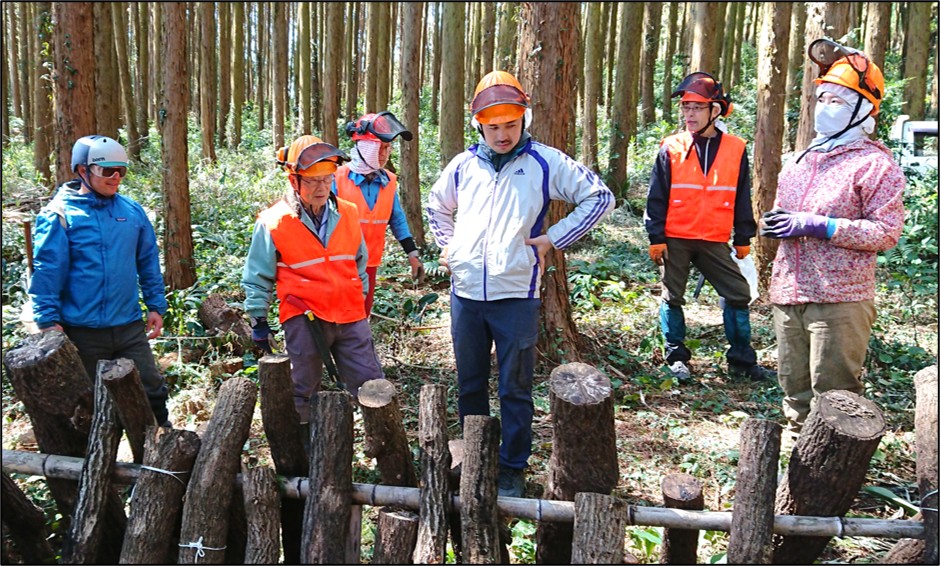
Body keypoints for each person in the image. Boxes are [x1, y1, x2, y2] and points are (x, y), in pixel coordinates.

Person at [426, 70, 615, 497]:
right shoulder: (463, 165)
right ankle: (476, 456)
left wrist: (553, 238)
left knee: (515, 387)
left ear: (524, 119)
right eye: (493, 126)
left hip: (517, 295)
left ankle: (512, 466)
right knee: (470, 382)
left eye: (510, 124)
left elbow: (600, 197)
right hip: (466, 293)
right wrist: (449, 246)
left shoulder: (545, 162)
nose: (502, 134)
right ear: (479, 125)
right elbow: (437, 205)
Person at [761, 39, 905, 432]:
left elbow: (886, 232)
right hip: (789, 292)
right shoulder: (800, 160)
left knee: (837, 398)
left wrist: (822, 226)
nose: (824, 108)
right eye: (821, 99)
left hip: (839, 298)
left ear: (864, 110)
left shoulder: (874, 165)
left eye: (837, 101)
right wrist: (777, 223)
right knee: (795, 394)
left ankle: (835, 467)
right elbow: (784, 210)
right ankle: (797, 459)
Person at [28, 135, 172, 427]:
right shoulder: (59, 214)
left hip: (129, 325)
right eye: (108, 170)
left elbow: (148, 261)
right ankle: (98, 454)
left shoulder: (132, 211)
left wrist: (156, 305)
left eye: (121, 171)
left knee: (152, 389)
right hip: (82, 331)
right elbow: (47, 271)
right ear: (83, 170)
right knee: (90, 404)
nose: (116, 177)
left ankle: (162, 442)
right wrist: (46, 320)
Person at [242, 135, 385, 424]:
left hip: (349, 312)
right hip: (303, 315)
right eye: (312, 181)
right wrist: (258, 320)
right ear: (293, 180)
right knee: (303, 388)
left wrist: (360, 300)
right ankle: (303, 442)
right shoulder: (274, 221)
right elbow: (258, 276)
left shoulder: (348, 212)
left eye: (326, 179)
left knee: (372, 385)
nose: (321, 188)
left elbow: (359, 264)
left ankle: (382, 440)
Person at [644, 71, 771, 383]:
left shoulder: (736, 148)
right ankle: (676, 358)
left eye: (697, 107)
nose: (689, 114)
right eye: (686, 107)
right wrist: (656, 236)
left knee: (738, 294)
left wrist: (743, 236)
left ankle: (741, 361)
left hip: (714, 237)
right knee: (672, 297)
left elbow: (742, 195)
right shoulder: (671, 147)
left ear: (716, 110)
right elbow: (656, 196)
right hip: (675, 237)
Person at [336, 111, 425, 315]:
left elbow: (397, 219)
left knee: (362, 316)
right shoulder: (336, 179)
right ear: (365, 147)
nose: (385, 154)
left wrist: (412, 254)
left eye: (388, 148)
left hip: (370, 264)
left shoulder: (388, 182)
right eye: (381, 148)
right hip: (339, 264)